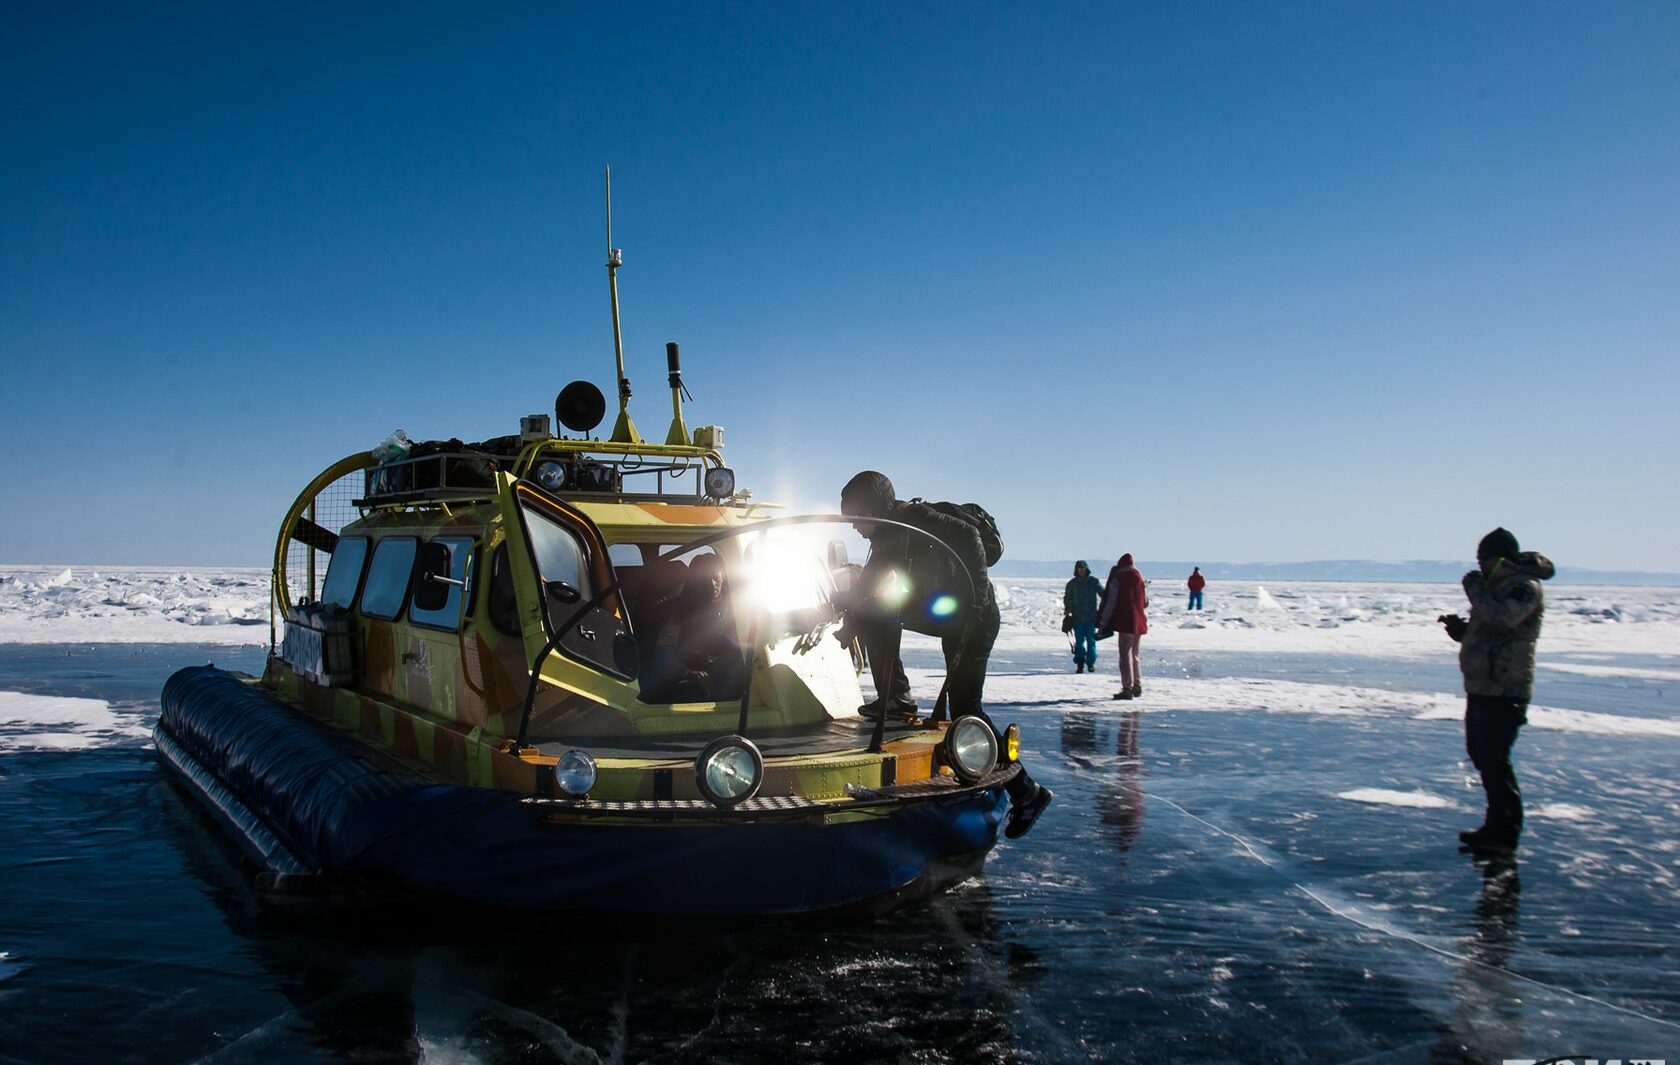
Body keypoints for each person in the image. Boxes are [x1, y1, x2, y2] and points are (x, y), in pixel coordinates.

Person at [836, 470, 1053, 840]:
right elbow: (866, 588)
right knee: (875, 615)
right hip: (948, 616)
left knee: (966, 709)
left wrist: (978, 596)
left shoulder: (916, 518)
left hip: (974, 618)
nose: (854, 526)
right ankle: (897, 698)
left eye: (856, 516)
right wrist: (848, 624)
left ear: (872, 508)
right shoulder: (885, 538)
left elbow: (968, 535)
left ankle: (1027, 792)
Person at [1437, 527, 1554, 855]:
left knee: (1495, 759)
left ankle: (1505, 834)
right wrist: (1462, 631)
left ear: (1499, 558)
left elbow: (1503, 619)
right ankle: (1494, 826)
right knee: (1481, 753)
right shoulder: (1495, 587)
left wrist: (1474, 589)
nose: (1479, 565)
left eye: (1483, 558)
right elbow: (1488, 629)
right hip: (1482, 686)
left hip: (1505, 689)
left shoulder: (1523, 586)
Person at [1098, 553, 1148, 700]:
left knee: (1125, 655)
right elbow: (1145, 602)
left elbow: (1111, 601)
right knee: (1135, 654)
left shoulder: (1118, 577)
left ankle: (1127, 687)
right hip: (1139, 621)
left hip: (1126, 621)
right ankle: (1137, 685)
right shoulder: (1138, 576)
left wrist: (1103, 623)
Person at [1063, 560, 1105, 673]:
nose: (1081, 571)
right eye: (1079, 569)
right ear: (1076, 570)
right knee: (1079, 642)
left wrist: (1104, 609)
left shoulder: (1093, 581)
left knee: (1091, 642)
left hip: (1091, 617)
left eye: (1083, 568)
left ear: (1087, 569)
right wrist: (1067, 610)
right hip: (1078, 618)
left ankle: (1091, 663)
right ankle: (1080, 663)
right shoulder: (1072, 584)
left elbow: (1104, 594)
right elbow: (1067, 598)